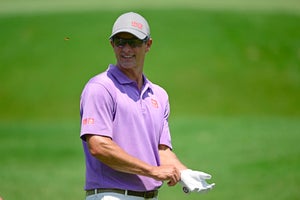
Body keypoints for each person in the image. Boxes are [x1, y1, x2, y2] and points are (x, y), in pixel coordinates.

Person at [80, 12, 215, 200]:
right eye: (120, 42)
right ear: (112, 44)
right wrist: (152, 171)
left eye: (134, 42)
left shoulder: (159, 95)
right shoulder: (100, 87)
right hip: (111, 195)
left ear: (148, 45)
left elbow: (161, 150)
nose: (126, 49)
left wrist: (183, 172)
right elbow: (99, 146)